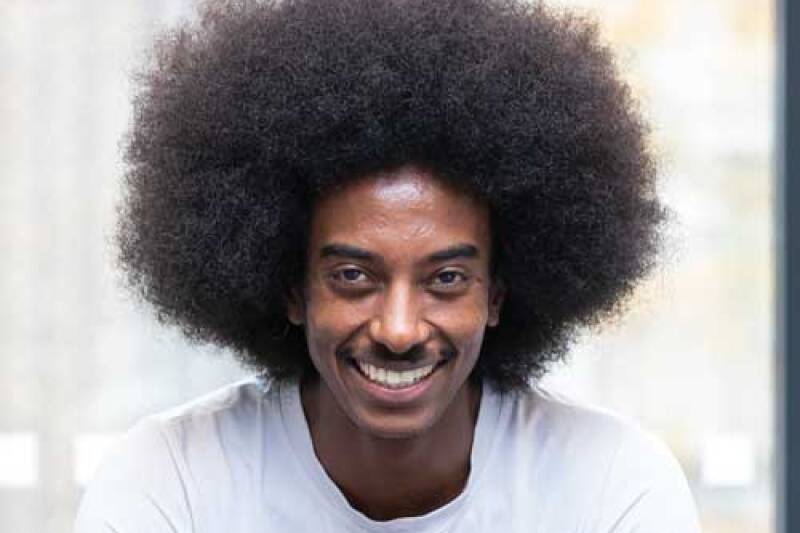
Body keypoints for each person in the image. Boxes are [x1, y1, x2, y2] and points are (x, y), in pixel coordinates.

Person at [75, 0, 702, 531]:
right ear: (293, 289)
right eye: (354, 277)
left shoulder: (610, 483)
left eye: (446, 280)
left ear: (496, 293)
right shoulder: (172, 479)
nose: (399, 330)